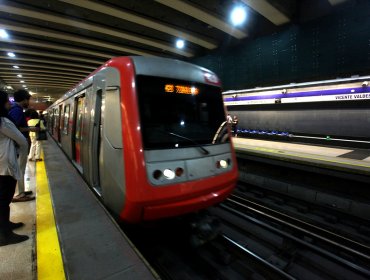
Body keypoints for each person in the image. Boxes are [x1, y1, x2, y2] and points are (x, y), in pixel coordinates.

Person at [0, 90, 29, 246]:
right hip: (6, 164)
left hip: (1, 163)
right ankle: (4, 235)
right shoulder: (3, 122)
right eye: (6, 101)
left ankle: (6, 225)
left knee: (3, 198)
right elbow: (21, 140)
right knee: (4, 198)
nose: (9, 103)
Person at [7, 89, 36, 202]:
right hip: (19, 144)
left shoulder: (15, 109)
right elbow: (16, 128)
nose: (28, 102)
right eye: (28, 99)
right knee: (20, 169)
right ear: (24, 99)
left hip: (18, 144)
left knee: (20, 169)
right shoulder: (17, 110)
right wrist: (32, 128)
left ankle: (22, 190)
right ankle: (20, 193)